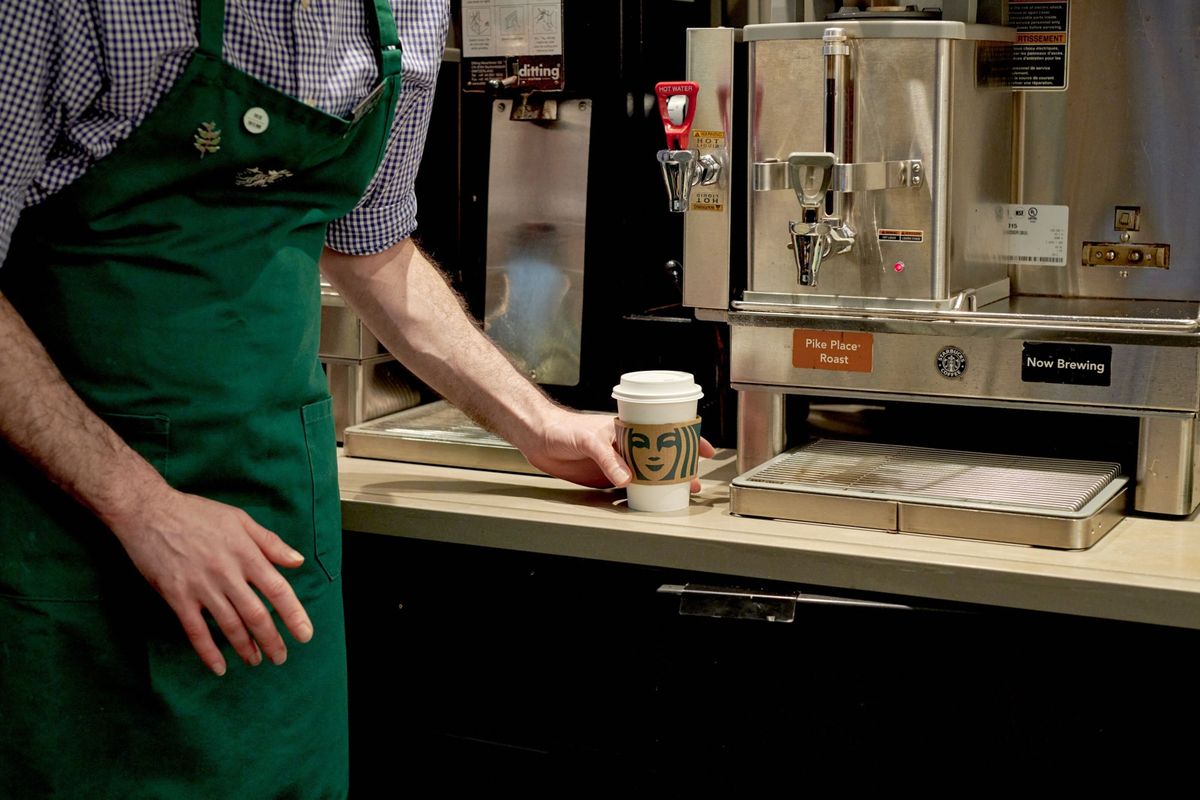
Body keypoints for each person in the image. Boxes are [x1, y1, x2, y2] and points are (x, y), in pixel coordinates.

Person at [0, 2, 710, 797]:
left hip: (275, 510)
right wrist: (142, 507)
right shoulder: (67, 10)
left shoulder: (405, 8)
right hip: (72, 532)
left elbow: (369, 242)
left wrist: (539, 424)